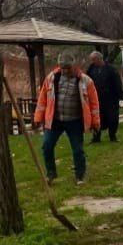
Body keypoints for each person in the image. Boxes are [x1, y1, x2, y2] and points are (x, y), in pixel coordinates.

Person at [34, 52, 100, 185]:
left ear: (73, 66)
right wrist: (38, 117)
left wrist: (96, 122)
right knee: (46, 146)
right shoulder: (51, 78)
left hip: (74, 121)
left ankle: (79, 176)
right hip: (55, 120)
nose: (65, 71)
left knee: (78, 149)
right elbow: (42, 99)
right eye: (62, 68)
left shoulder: (85, 81)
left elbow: (94, 104)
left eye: (67, 68)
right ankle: (51, 173)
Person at [85, 51, 123, 143]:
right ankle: (96, 137)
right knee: (96, 118)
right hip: (96, 99)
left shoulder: (111, 69)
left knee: (113, 118)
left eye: (93, 60)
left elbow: (117, 83)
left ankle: (112, 136)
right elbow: (86, 80)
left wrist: (119, 95)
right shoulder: (91, 69)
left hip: (110, 98)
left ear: (99, 59)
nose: (92, 62)